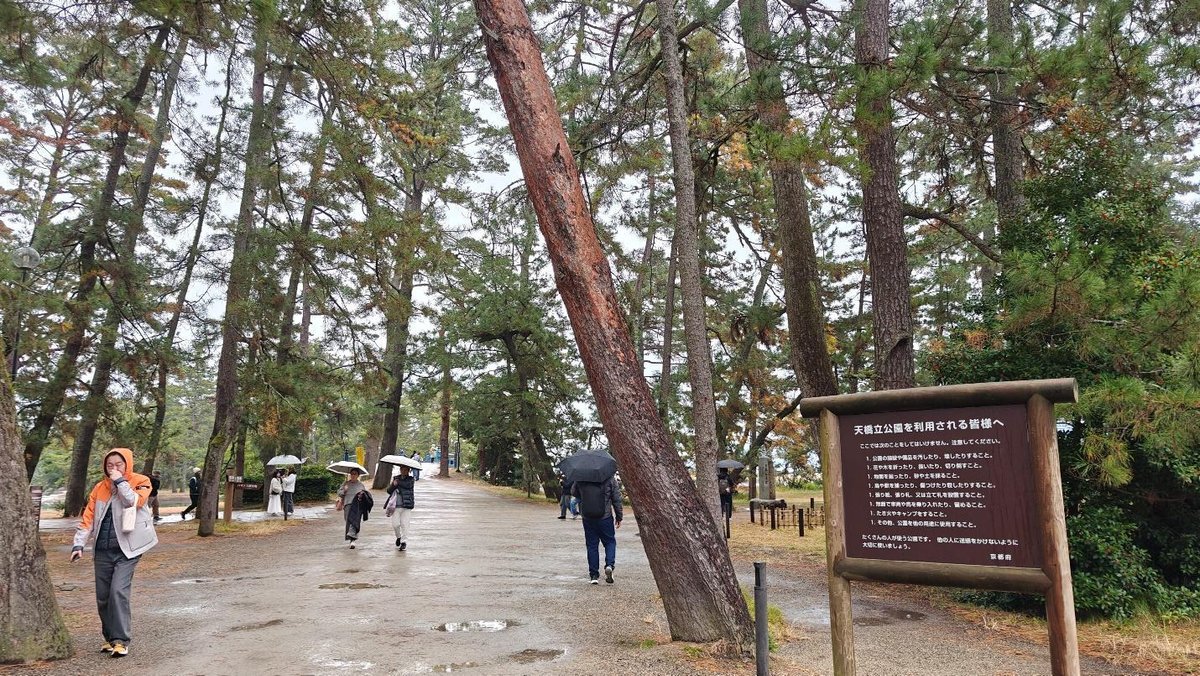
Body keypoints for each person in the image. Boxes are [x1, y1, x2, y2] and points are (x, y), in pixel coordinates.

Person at [70, 448, 158, 658]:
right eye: (110, 465)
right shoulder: (100, 488)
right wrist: (78, 545)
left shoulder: (141, 481)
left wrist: (120, 481)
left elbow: (134, 502)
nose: (114, 468)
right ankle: (110, 638)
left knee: (118, 591)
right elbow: (88, 517)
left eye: (119, 464)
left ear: (127, 464)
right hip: (102, 549)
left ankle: (121, 640)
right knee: (103, 597)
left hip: (128, 549)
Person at [573, 474, 622, 584]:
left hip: (588, 516)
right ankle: (609, 565)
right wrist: (619, 516)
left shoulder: (581, 476)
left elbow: (574, 492)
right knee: (610, 542)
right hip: (605, 517)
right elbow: (616, 498)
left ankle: (594, 575)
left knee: (592, 545)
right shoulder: (609, 478)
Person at [336, 469, 371, 548]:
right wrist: (344, 490)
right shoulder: (345, 483)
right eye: (352, 474)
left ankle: (352, 540)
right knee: (348, 521)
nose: (353, 475)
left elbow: (365, 495)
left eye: (355, 474)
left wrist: (362, 495)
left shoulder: (361, 485)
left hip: (358, 505)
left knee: (354, 522)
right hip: (348, 504)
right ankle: (350, 538)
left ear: (358, 475)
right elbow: (339, 493)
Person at [385, 465, 417, 550]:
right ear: (400, 470)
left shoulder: (411, 479)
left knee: (405, 524)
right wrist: (393, 484)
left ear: (408, 471)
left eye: (406, 470)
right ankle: (398, 537)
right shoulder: (396, 478)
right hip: (395, 506)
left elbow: (407, 485)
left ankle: (404, 542)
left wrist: (398, 482)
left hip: (407, 506)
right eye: (402, 469)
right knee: (395, 524)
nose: (404, 471)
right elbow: (389, 491)